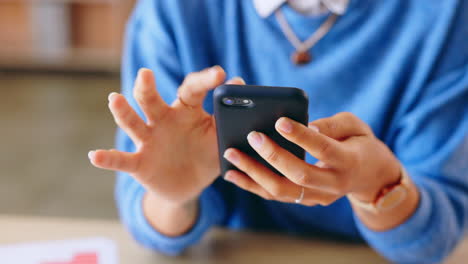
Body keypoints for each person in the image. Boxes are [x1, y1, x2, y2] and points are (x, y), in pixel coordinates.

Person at [88, 0, 468, 263]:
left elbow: (434, 242)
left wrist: (380, 187)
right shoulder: (173, 11)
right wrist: (175, 196)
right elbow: (152, 228)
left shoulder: (446, 15)